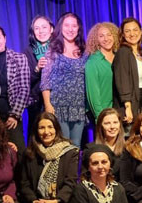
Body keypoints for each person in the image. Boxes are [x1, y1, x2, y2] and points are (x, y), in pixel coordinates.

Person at [20, 112, 79, 203]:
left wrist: (55, 201)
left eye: (50, 127)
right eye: (41, 128)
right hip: (37, 201)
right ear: (36, 131)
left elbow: (71, 182)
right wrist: (34, 201)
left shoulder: (69, 151)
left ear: (56, 129)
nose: (46, 132)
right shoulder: (29, 153)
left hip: (60, 201)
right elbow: (24, 184)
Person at [41, 12, 89, 146]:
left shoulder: (85, 51)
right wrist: (47, 104)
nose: (70, 29)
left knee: (76, 144)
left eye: (74, 26)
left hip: (78, 106)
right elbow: (45, 80)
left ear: (79, 28)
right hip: (58, 106)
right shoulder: (53, 50)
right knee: (63, 144)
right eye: (67, 25)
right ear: (61, 27)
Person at [0, 24, 31, 152]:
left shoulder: (19, 58)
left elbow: (24, 88)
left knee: (18, 150)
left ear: (5, 38)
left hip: (11, 113)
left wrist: (14, 115)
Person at [112, 18, 142, 128]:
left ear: (141, 31)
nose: (132, 34)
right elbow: (122, 81)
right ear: (123, 34)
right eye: (127, 31)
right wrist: (128, 107)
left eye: (135, 30)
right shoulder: (123, 52)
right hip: (129, 102)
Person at [24, 15, 54, 137]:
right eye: (37, 28)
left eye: (44, 27)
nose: (41, 31)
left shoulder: (60, 47)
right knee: (35, 135)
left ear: (51, 29)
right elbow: (26, 80)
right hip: (36, 101)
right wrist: (37, 69)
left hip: (57, 98)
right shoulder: (28, 51)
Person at [85, 22, 118, 122]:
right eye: (101, 36)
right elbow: (93, 95)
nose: (106, 39)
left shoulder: (120, 57)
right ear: (96, 40)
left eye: (109, 35)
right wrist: (101, 117)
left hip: (120, 112)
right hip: (103, 114)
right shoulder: (92, 62)